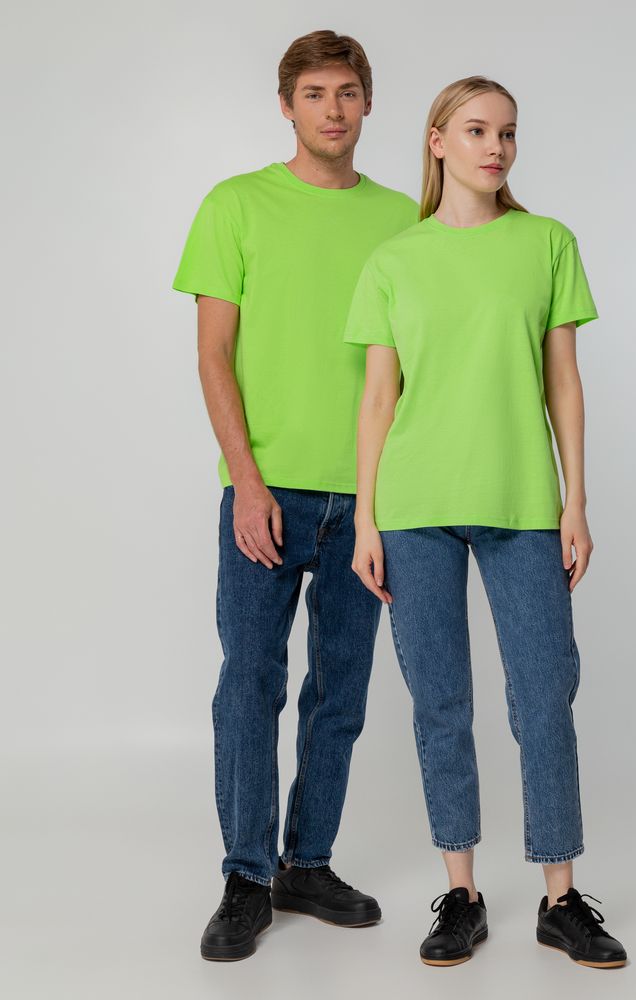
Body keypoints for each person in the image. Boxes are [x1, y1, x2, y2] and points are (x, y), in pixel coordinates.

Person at [344, 76, 628, 970]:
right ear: (437, 141)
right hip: (414, 507)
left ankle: (561, 898)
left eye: (507, 132)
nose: (495, 146)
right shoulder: (394, 260)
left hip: (522, 502)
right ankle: (461, 895)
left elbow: (563, 381)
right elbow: (378, 399)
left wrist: (575, 498)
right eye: (475, 130)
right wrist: (365, 519)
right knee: (441, 704)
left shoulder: (546, 243)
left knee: (544, 696)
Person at [172, 30, 418, 961]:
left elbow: (419, 361)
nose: (332, 109)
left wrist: (392, 497)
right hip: (266, 491)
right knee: (250, 683)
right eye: (314, 93)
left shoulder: (406, 219)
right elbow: (213, 355)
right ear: (286, 105)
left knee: (341, 688)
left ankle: (305, 863)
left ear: (368, 102)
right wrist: (246, 481)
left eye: (347, 91)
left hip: (370, 497)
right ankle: (246, 876)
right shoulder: (236, 205)